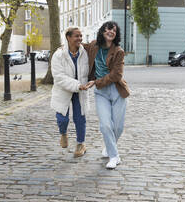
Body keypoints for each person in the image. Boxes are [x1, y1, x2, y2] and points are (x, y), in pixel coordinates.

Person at [84, 21, 130, 169]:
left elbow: (116, 75)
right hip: (101, 93)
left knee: (118, 127)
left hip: (117, 90)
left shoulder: (118, 51)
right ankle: (114, 156)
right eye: (108, 29)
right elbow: (79, 46)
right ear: (102, 31)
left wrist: (96, 81)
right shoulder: (93, 46)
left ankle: (109, 147)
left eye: (114, 31)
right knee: (105, 125)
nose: (111, 32)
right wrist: (64, 47)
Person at [50, 27, 93, 157]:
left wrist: (92, 81)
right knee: (62, 118)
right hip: (63, 89)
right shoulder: (58, 55)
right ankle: (63, 133)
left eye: (81, 36)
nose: (80, 39)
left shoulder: (84, 53)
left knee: (80, 118)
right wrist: (77, 85)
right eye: (76, 36)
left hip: (81, 91)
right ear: (68, 37)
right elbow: (59, 77)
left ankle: (81, 144)